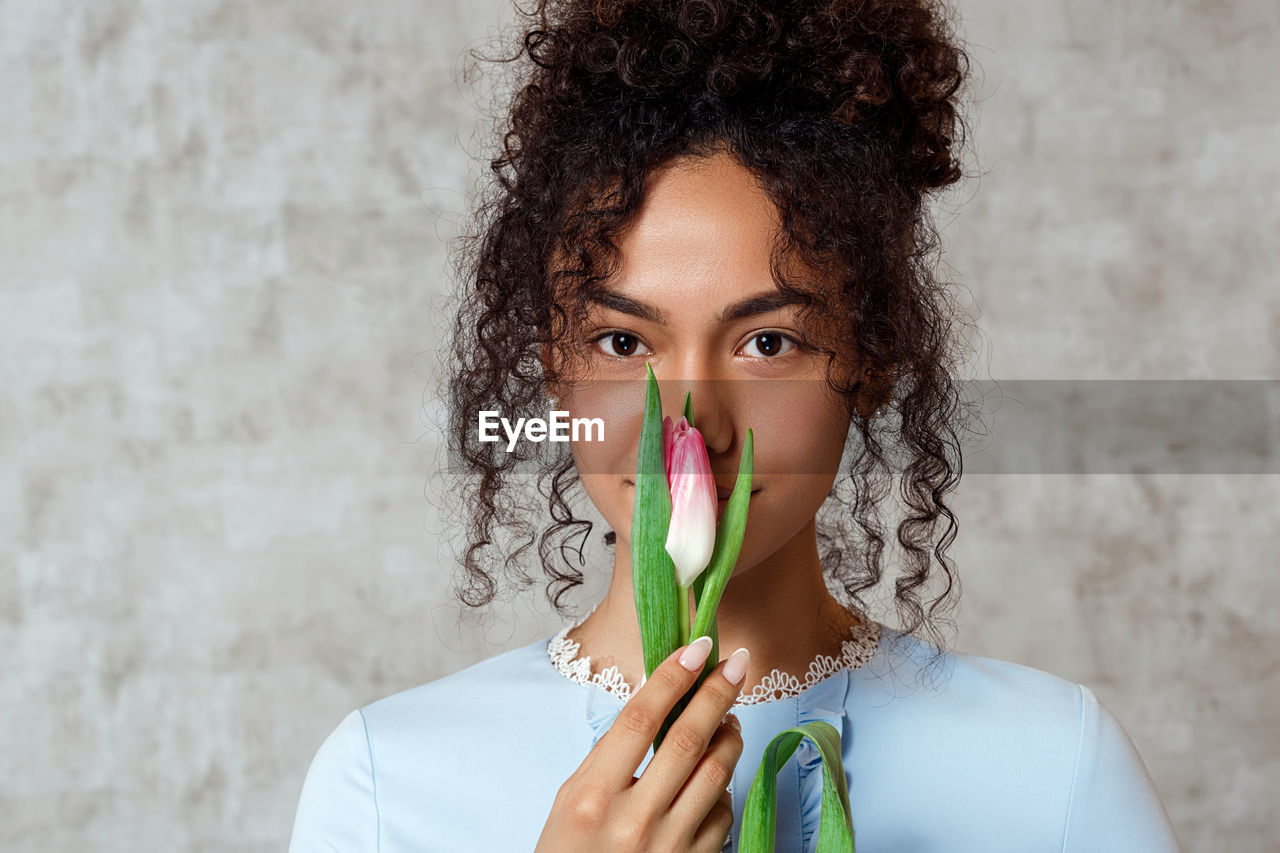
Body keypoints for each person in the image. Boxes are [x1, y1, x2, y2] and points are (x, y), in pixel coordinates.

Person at [287, 0, 1181, 850]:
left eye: (766, 339)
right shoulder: (385, 782)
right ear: (551, 364)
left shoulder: (1055, 767)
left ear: (868, 362)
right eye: (621, 338)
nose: (690, 421)